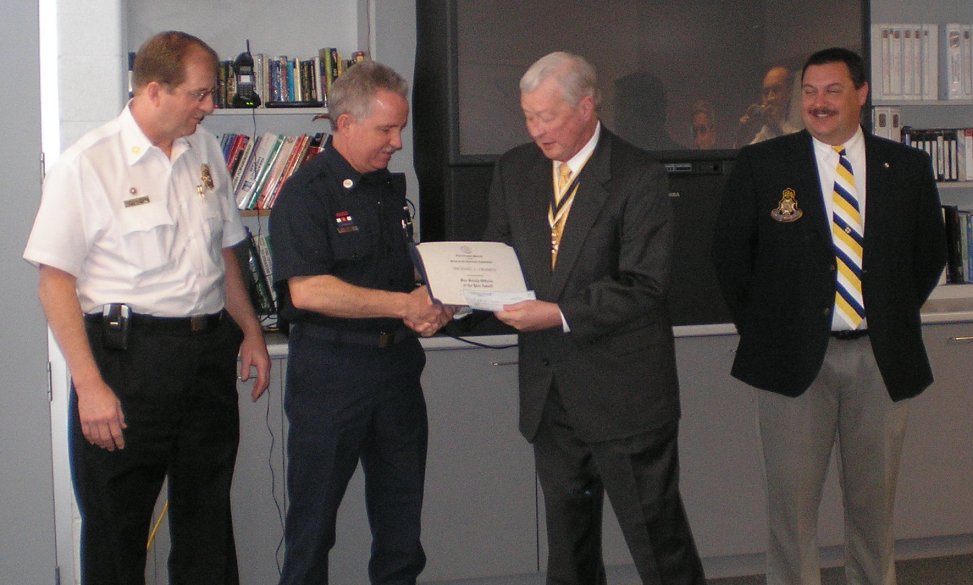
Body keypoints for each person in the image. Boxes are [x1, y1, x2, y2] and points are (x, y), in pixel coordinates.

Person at [23, 31, 272, 584]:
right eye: (200, 94)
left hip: (207, 356)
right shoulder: (87, 164)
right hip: (128, 361)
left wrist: (250, 331)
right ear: (156, 91)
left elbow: (224, 251)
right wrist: (89, 386)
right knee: (117, 528)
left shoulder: (204, 150)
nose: (210, 107)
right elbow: (54, 282)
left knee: (208, 522)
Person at [712, 47, 946, 585]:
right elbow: (730, 259)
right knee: (791, 518)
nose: (818, 104)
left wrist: (884, 316)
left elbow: (928, 256)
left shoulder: (906, 167)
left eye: (832, 91)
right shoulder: (764, 164)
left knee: (875, 513)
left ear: (861, 94)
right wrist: (772, 331)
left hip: (880, 361)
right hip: (791, 365)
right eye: (810, 92)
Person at [483, 51, 705, 585]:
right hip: (549, 395)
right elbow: (498, 254)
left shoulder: (638, 175)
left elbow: (644, 284)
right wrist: (461, 291)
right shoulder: (514, 169)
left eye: (547, 117)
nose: (536, 131)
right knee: (569, 553)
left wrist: (557, 314)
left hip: (624, 397)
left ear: (586, 108)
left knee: (659, 547)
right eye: (528, 117)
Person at [269, 60, 454, 585]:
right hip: (332, 375)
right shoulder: (306, 194)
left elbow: (400, 278)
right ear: (345, 124)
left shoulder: (387, 190)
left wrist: (436, 304)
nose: (397, 142)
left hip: (395, 372)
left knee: (401, 524)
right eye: (386, 129)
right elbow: (308, 290)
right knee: (313, 527)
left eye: (401, 128)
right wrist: (403, 305)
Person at [736, 65, 802, 146]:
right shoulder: (757, 139)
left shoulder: (799, 138)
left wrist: (776, 130)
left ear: (789, 93)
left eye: (776, 90)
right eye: (766, 92)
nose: (770, 98)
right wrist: (741, 137)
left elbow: (792, 155)